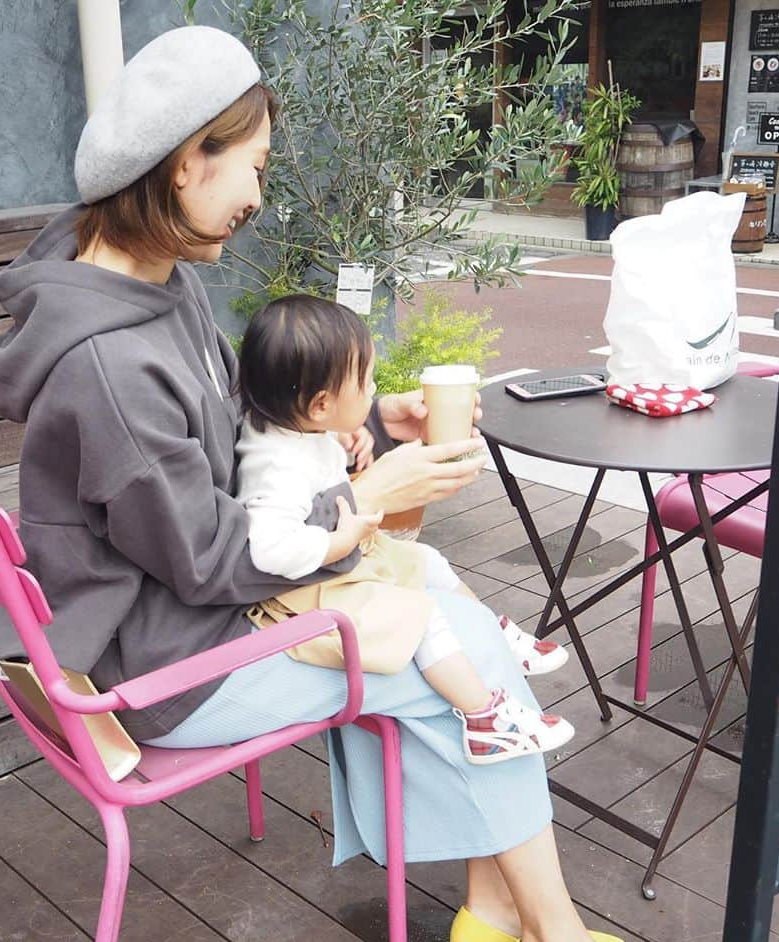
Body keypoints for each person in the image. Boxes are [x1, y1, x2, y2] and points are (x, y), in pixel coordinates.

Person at [0, 24, 697, 942]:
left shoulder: (140, 283)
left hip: (164, 614)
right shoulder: (111, 364)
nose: (259, 195)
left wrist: (347, 425)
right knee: (473, 666)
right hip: (172, 663)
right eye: (253, 167)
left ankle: (497, 909)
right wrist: (360, 501)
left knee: (445, 627)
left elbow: (222, 432)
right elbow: (212, 557)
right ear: (188, 163)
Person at [236, 293, 573, 765]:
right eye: (367, 381)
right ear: (319, 404)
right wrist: (339, 539)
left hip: (336, 563)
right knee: (421, 618)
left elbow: (306, 448)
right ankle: (484, 721)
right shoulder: (277, 468)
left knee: (428, 560)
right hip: (304, 589)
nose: (374, 388)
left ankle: (495, 639)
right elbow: (270, 548)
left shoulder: (288, 428)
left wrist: (338, 433)